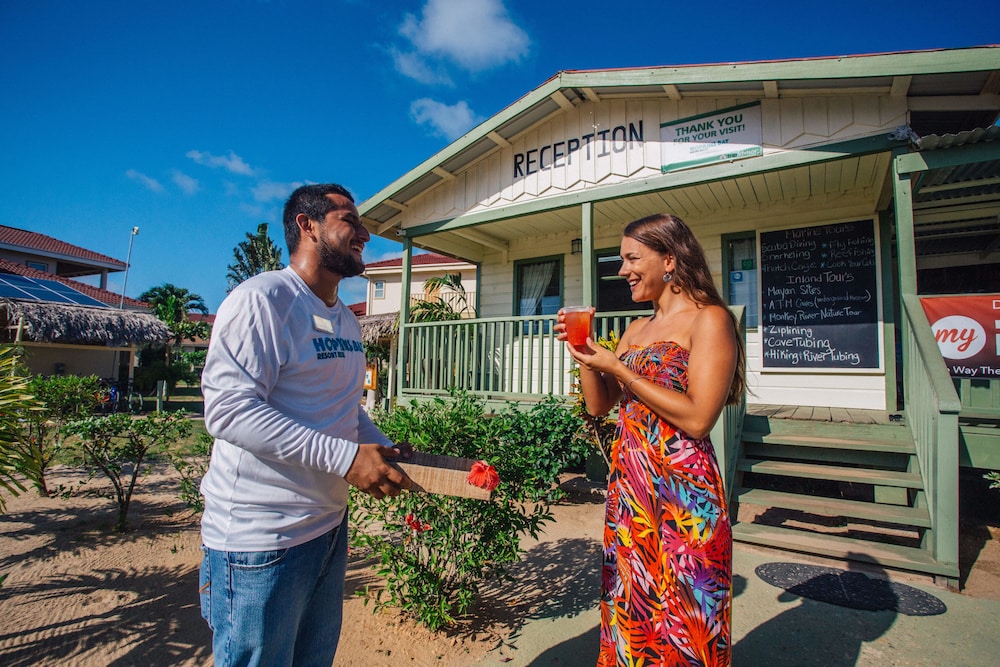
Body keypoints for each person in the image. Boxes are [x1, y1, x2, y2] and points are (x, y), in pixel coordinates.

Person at [198, 183, 412, 666]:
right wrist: (345, 458)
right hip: (260, 543)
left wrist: (380, 446)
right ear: (307, 225)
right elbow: (229, 410)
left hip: (327, 529)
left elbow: (342, 408)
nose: (364, 232)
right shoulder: (264, 301)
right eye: (349, 220)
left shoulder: (346, 321)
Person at [557, 213, 745, 667]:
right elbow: (601, 405)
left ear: (670, 259)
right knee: (635, 610)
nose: (622, 270)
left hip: (686, 494)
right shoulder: (636, 330)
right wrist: (585, 357)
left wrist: (620, 367)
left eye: (631, 258)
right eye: (621, 260)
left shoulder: (710, 320)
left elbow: (700, 418)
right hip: (633, 492)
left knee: (688, 619)